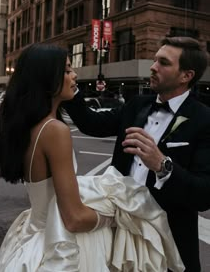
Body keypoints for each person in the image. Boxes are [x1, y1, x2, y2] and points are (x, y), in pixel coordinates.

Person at [0, 43, 184, 272]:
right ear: (46, 78)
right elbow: (74, 218)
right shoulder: (55, 131)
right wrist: (117, 216)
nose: (74, 75)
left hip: (31, 236)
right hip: (59, 243)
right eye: (66, 70)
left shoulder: (31, 125)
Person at [64, 36, 210, 272]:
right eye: (155, 60)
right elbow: (92, 123)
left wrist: (162, 165)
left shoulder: (204, 120)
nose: (153, 67)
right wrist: (69, 86)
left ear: (186, 75)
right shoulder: (137, 105)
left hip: (168, 245)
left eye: (163, 63)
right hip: (121, 237)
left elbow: (204, 195)